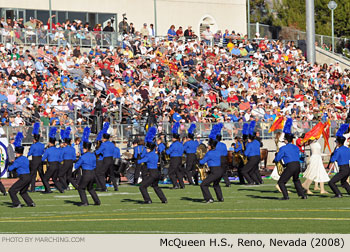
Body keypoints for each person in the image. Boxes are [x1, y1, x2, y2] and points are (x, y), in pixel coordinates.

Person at [274, 118, 307, 200]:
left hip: (290, 166)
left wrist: (275, 160)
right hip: (297, 165)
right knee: (296, 180)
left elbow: (278, 158)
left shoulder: (283, 148)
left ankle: (286, 196)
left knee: (281, 182)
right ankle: (303, 195)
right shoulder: (295, 147)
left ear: (285, 140)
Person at [138, 127, 167, 204]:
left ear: (150, 149)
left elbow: (141, 161)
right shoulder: (155, 154)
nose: (146, 149)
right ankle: (164, 199)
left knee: (142, 187)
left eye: (147, 148)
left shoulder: (148, 155)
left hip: (152, 173)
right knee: (155, 186)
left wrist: (136, 160)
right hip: (157, 172)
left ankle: (148, 200)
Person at [8, 132, 35, 208]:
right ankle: (30, 203)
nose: (15, 154)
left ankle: (17, 204)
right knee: (23, 191)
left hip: (23, 177)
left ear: (18, 153)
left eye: (16, 153)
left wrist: (11, 164)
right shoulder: (25, 158)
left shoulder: (18, 160)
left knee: (12, 190)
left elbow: (11, 168)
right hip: (28, 176)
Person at [74, 130, 101, 206]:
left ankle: (85, 202)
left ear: (85, 148)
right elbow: (95, 165)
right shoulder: (93, 155)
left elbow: (76, 166)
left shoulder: (83, 157)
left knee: (81, 188)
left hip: (86, 173)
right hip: (93, 173)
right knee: (90, 188)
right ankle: (97, 201)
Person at [199, 126, 224, 203]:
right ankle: (220, 198)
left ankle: (209, 198)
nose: (207, 146)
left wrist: (199, 159)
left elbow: (202, 162)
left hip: (214, 171)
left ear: (211, 146)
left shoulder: (209, 153)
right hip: (220, 170)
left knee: (203, 185)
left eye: (208, 145)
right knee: (216, 184)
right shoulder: (217, 152)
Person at [328, 124, 350, 198]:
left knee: (331, 182)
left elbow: (333, 160)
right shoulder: (347, 149)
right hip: (348, 168)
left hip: (343, 169)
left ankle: (338, 194)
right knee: (343, 182)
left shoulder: (338, 150)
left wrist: (332, 155)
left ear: (338, 142)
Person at [95, 123, 118, 191]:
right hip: (111, 159)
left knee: (100, 174)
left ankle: (104, 188)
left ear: (104, 138)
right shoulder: (111, 144)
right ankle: (116, 187)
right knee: (111, 174)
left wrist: (95, 151)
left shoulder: (104, 144)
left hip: (106, 159)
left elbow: (98, 152)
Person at [41, 127, 65, 193]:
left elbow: (43, 158)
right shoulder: (58, 150)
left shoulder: (48, 150)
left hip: (51, 165)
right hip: (57, 164)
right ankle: (61, 189)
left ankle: (48, 190)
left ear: (50, 143)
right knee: (54, 179)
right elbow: (60, 159)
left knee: (45, 179)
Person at [166, 122, 185, 189]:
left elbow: (168, 152)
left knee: (171, 172)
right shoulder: (180, 144)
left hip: (174, 159)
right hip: (179, 158)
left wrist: (166, 149)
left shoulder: (173, 144)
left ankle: (175, 184)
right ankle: (182, 185)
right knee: (178, 172)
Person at [27, 122, 45, 192]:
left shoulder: (33, 145)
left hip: (34, 159)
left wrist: (28, 154)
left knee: (33, 174)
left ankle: (32, 189)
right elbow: (43, 151)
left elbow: (30, 153)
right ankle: (46, 187)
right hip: (40, 159)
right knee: (41, 174)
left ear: (34, 139)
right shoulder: (42, 145)